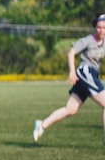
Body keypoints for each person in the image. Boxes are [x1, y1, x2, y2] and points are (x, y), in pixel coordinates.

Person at [33, 13, 105, 144]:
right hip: (84, 72)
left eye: (104, 28)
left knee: (70, 109)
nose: (101, 30)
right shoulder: (88, 40)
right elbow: (71, 52)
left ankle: (41, 125)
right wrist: (72, 71)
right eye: (99, 27)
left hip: (91, 75)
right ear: (95, 28)